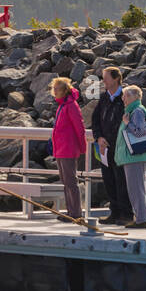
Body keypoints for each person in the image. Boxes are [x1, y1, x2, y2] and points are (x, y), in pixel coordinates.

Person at [90, 67, 132, 225]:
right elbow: (95, 120)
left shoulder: (126, 96)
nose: (103, 81)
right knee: (109, 180)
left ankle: (126, 214)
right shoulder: (104, 98)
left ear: (115, 79)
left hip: (121, 147)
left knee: (122, 181)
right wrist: (99, 137)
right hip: (104, 147)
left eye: (105, 78)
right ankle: (114, 213)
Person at [115, 85, 146, 229]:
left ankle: (141, 219)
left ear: (134, 97)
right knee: (139, 187)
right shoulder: (134, 110)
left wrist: (127, 123)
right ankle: (142, 218)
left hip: (135, 156)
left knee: (136, 188)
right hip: (135, 156)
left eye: (125, 96)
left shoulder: (136, 111)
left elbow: (139, 132)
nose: (123, 99)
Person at [50, 76, 86, 222]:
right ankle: (71, 211)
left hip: (68, 148)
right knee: (65, 181)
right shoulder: (62, 105)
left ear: (64, 90)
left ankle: (76, 213)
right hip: (61, 148)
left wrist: (82, 147)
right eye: (54, 88)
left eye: (57, 89)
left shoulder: (71, 105)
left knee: (71, 181)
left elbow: (79, 127)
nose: (54, 91)